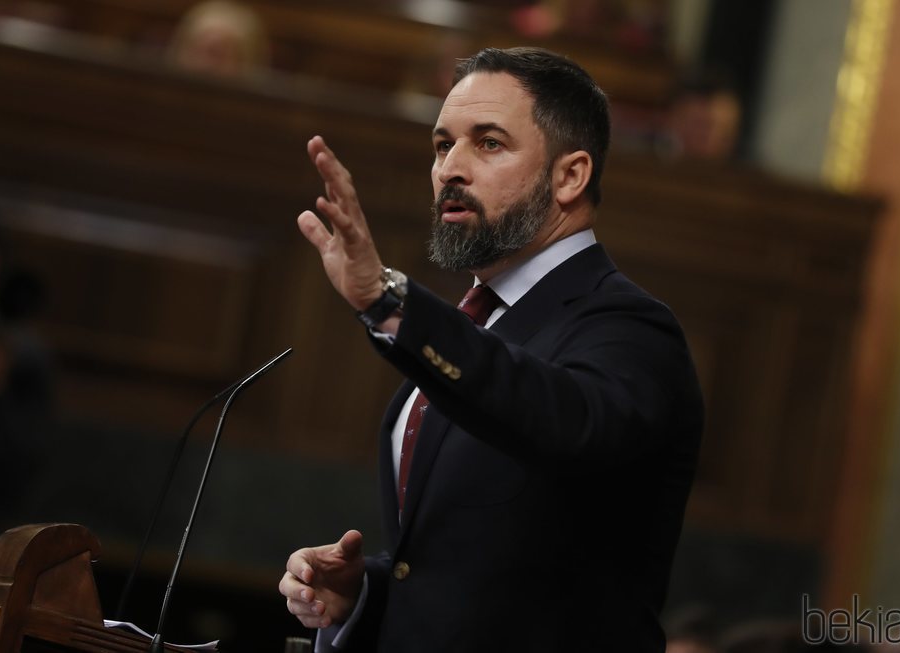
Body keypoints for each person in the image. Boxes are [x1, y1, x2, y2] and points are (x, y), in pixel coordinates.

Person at [278, 46, 704, 653]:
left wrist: (390, 302)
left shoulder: (629, 328)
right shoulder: (475, 324)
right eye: (442, 144)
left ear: (570, 175)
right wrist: (364, 592)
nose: (451, 167)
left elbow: (557, 421)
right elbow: (463, 570)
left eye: (489, 143)